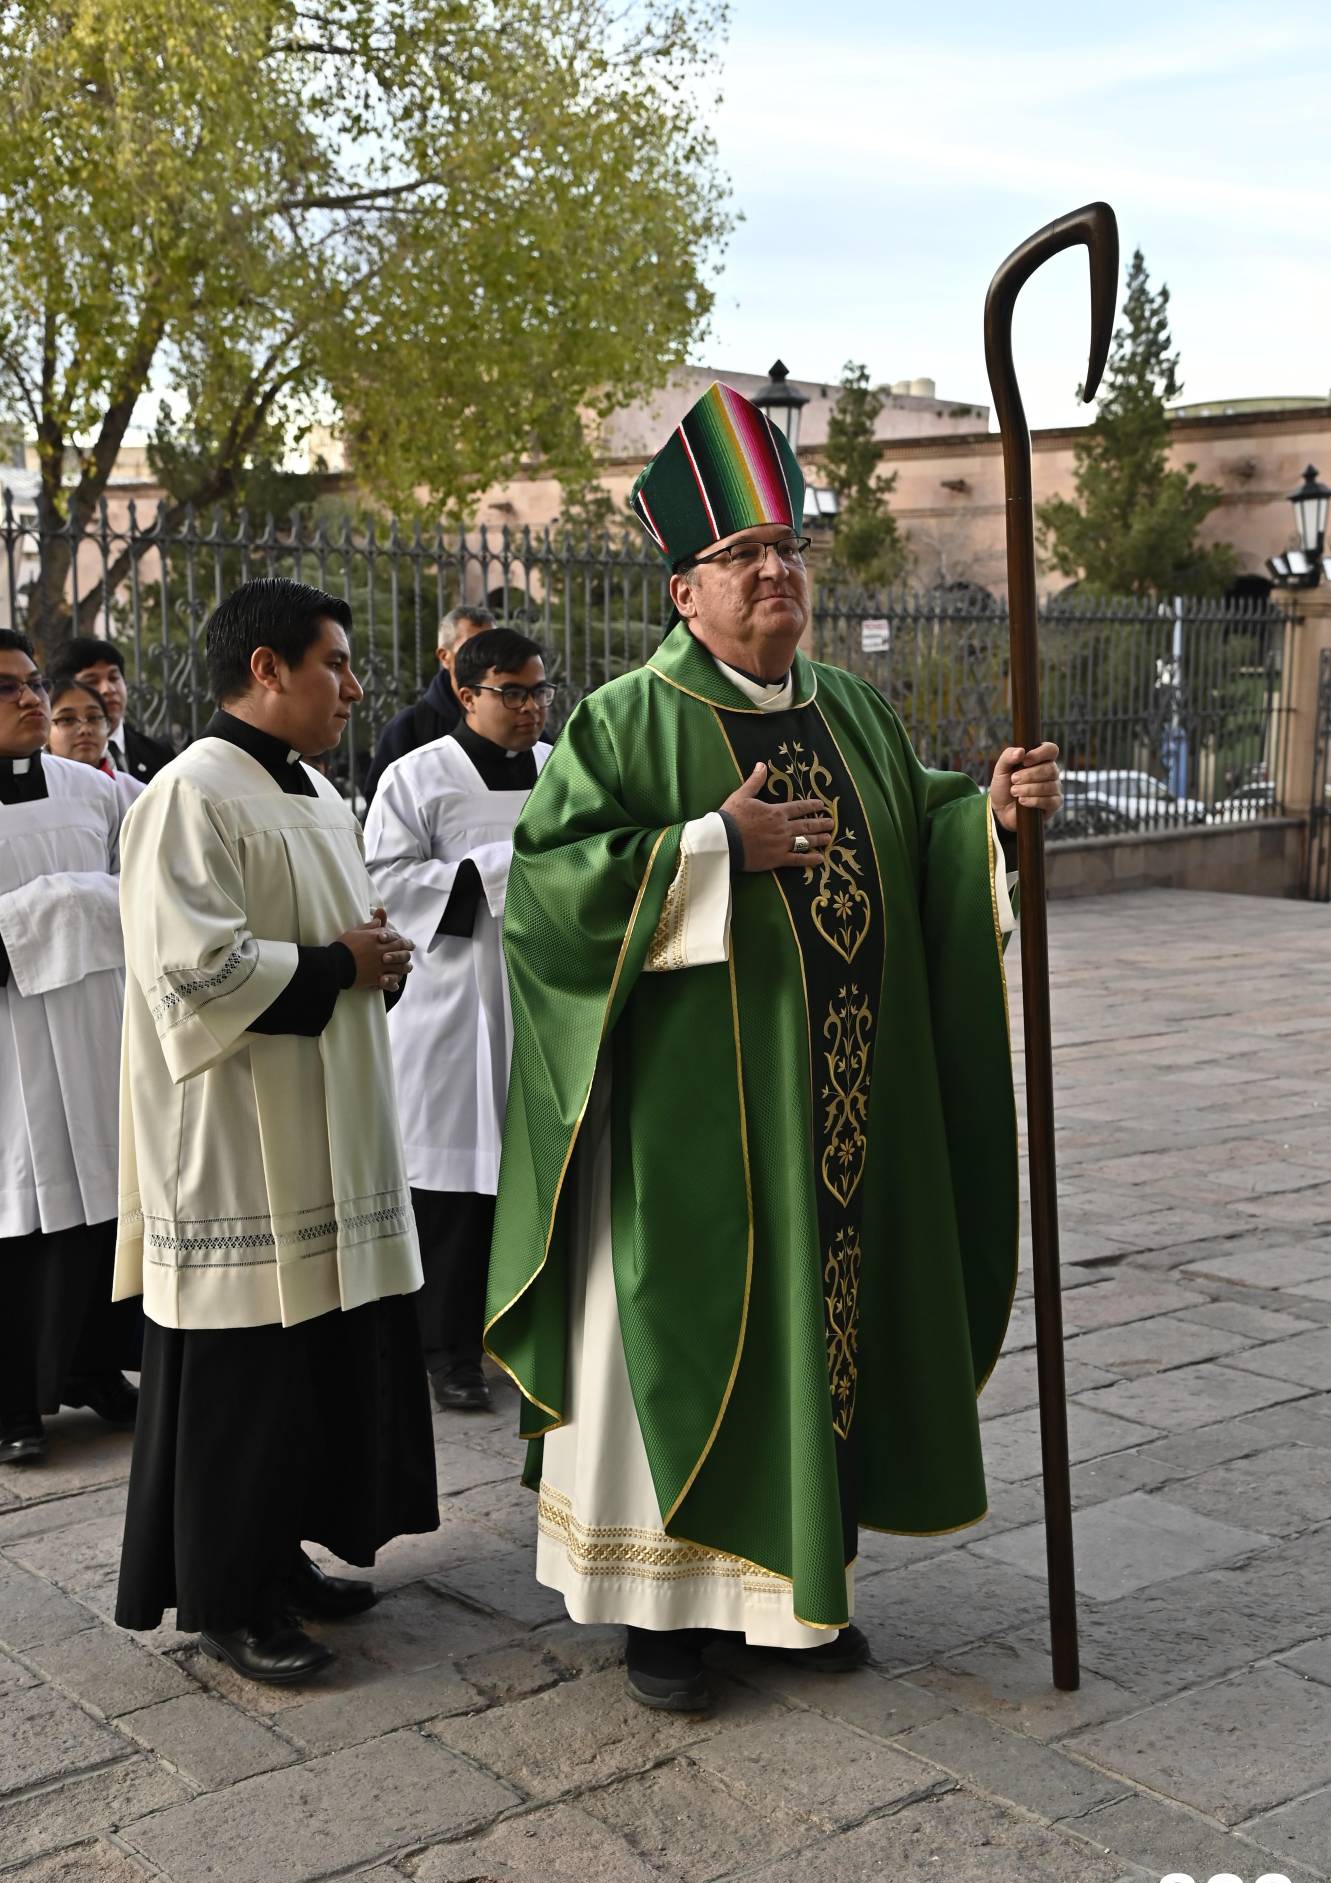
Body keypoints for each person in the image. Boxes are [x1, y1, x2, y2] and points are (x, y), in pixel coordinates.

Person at [484, 383, 1062, 1712]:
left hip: (833, 1126)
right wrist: (706, 848)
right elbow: (547, 900)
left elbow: (919, 831)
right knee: (675, 1347)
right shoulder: (624, 721)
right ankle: (661, 1617)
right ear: (682, 592)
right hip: (682, 1140)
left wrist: (989, 815)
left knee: (818, 1341)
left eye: (786, 550)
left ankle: (779, 1597)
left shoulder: (851, 711)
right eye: (741, 555)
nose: (773, 573)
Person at [113, 577, 438, 1684]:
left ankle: (281, 1554)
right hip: (236, 1136)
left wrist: (373, 959)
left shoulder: (316, 792)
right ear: (266, 669)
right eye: (334, 664)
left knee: (311, 1364)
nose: (353, 688)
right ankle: (228, 1594)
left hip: (329, 1113)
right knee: (244, 1373)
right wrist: (339, 964)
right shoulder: (187, 794)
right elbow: (193, 970)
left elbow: (338, 937)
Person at [365, 628, 554, 1414]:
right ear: (467, 693)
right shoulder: (416, 775)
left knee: (537, 1180)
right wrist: (510, 871)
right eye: (512, 692)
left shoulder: (560, 771)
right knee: (450, 1192)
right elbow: (386, 881)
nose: (530, 707)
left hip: (542, 996)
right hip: (452, 1005)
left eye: (538, 690)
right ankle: (448, 1353)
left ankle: (530, 1336)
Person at [0, 632, 141, 1465]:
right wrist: (68, 901)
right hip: (10, 1039)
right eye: (6, 688)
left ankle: (94, 1366)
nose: (30, 698)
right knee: (20, 1212)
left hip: (95, 1026)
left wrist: (80, 898)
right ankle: (12, 1404)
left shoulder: (94, 790)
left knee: (105, 1202)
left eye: (32, 683)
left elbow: (148, 886)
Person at [363, 604, 496, 807]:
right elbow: (382, 807)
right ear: (444, 657)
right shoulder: (407, 728)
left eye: (493, 648)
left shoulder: (522, 719)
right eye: (471, 648)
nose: (485, 659)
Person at [58, 636, 175, 783]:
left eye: (114, 678)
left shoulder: (159, 755)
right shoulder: (53, 759)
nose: (109, 689)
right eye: (92, 681)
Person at [47, 676, 146, 810]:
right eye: (68, 720)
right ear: (44, 730)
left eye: (94, 718)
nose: (85, 729)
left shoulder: (134, 793)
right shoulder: (33, 794)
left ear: (108, 726)